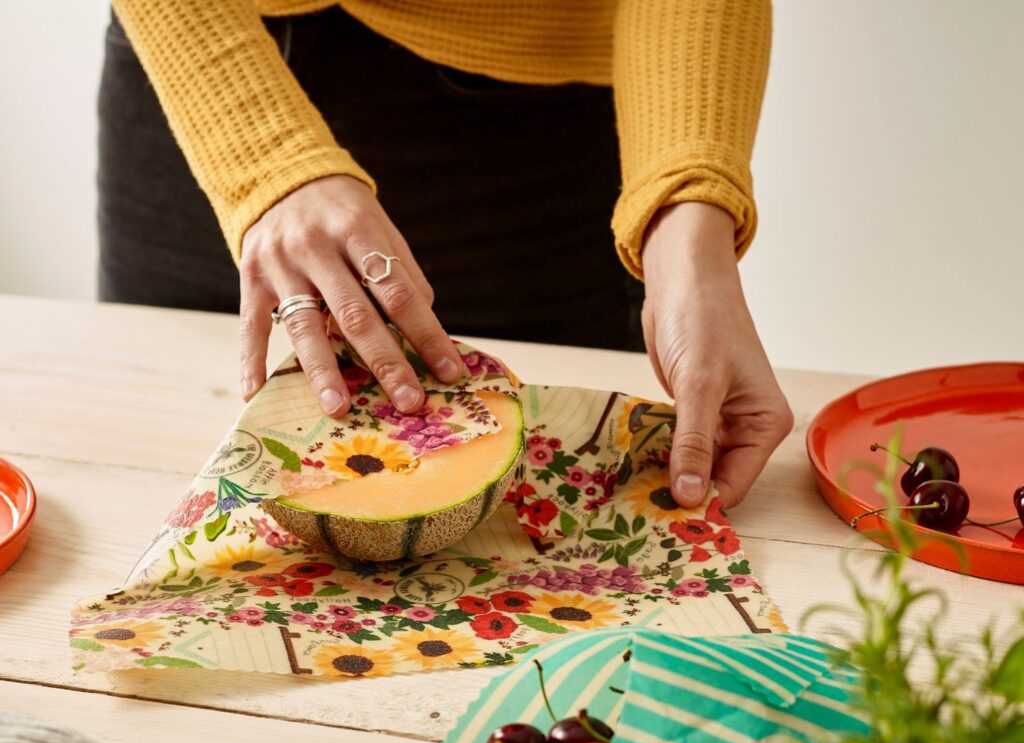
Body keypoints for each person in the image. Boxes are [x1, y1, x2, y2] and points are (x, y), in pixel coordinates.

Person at [99, 0, 793, 510]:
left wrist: (688, 222)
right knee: (132, 498)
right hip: (203, 75)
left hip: (527, 133)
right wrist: (260, 158)